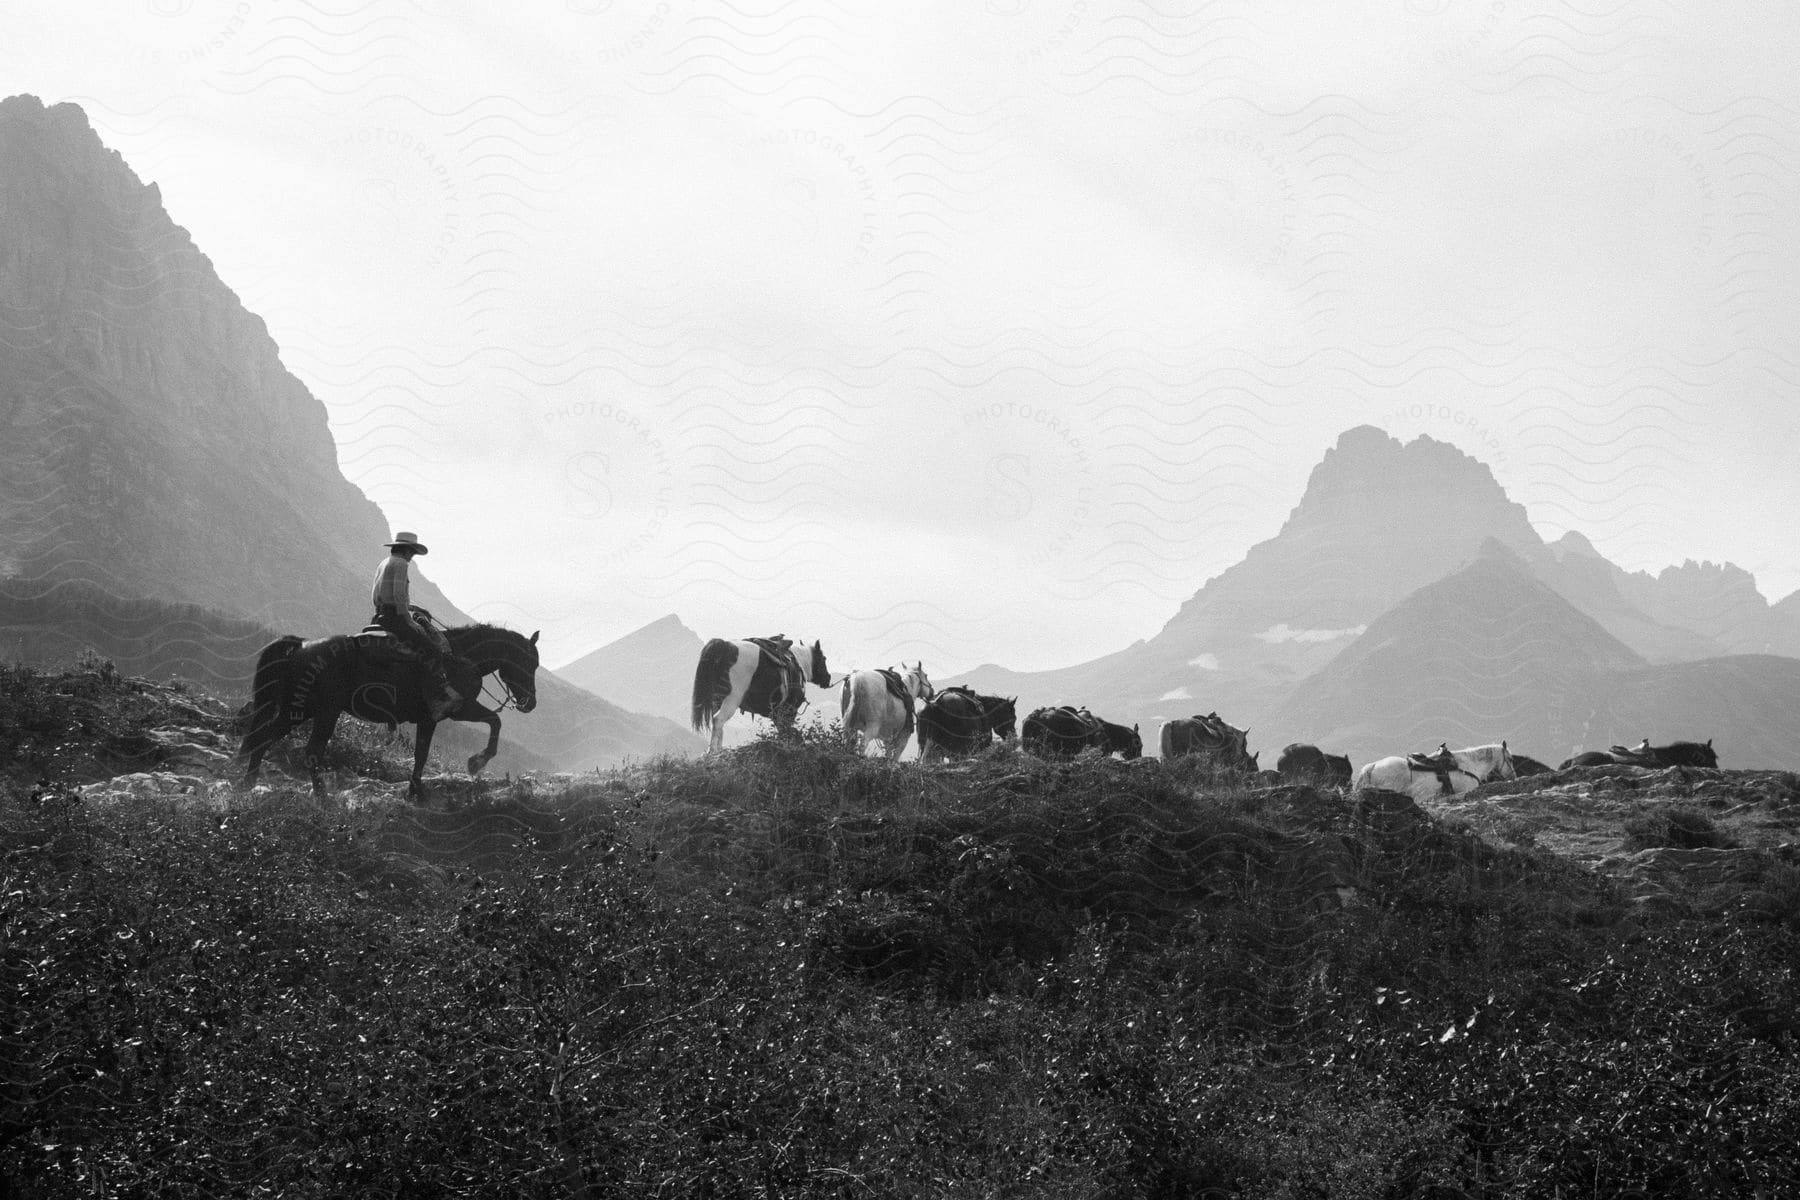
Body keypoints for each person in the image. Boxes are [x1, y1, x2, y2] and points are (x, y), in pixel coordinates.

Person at [370, 531, 463, 719]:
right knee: (433, 651)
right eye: (412, 552)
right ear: (406, 550)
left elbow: (379, 595)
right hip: (395, 620)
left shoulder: (384, 563)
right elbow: (398, 595)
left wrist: (409, 606)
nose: (412, 556)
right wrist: (408, 620)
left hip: (380, 616)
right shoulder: (401, 564)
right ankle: (436, 700)